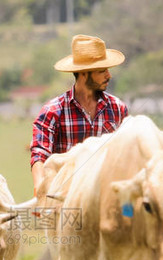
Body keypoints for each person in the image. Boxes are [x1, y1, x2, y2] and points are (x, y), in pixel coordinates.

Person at [30, 34, 128, 194]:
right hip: (64, 196)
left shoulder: (118, 109)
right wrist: (39, 186)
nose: (109, 75)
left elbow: (125, 155)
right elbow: (40, 152)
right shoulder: (53, 111)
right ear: (83, 73)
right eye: (102, 71)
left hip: (105, 196)